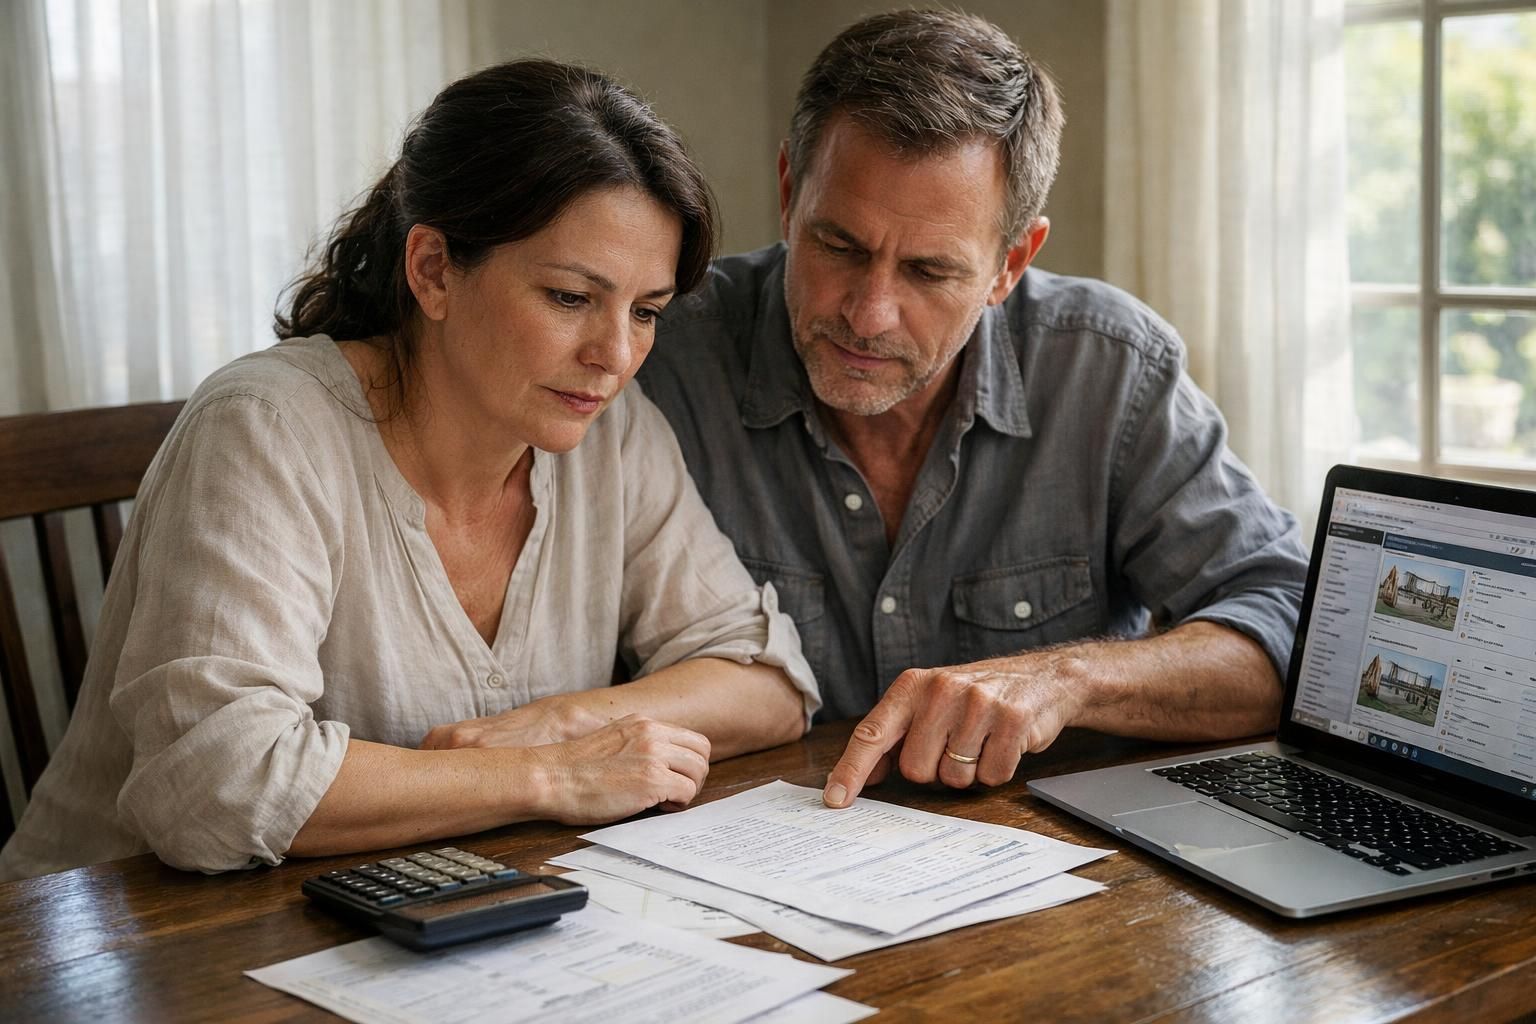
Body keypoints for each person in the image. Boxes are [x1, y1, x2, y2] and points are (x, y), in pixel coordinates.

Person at [0, 60, 818, 881]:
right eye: (571, 297)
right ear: (432, 269)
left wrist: (564, 721)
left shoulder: (613, 436)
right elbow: (215, 783)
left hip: (420, 919)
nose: (614, 356)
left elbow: (768, 682)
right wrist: (554, 774)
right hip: (111, 944)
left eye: (645, 312)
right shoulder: (266, 428)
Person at [634, 9, 1309, 809]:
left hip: (1063, 883)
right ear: (789, 193)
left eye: (928, 271)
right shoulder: (659, 356)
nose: (868, 313)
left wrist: (1067, 680)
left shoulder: (1108, 370)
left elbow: (1289, 633)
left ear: (1010, 263)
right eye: (840, 246)